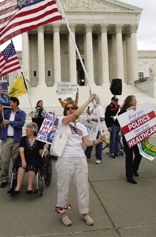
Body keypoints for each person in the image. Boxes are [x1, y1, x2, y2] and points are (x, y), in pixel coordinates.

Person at [55, 93, 105, 226]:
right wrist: (89, 99)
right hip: (65, 159)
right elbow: (76, 115)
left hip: (79, 159)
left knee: (83, 187)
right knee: (63, 188)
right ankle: (63, 213)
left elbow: (87, 142)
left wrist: (98, 141)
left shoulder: (81, 126)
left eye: (73, 107)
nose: (71, 110)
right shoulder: (62, 122)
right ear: (65, 111)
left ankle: (85, 213)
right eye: (68, 108)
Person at [10, 122, 48, 196]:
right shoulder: (23, 139)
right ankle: (17, 187)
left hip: (35, 157)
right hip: (24, 156)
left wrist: (44, 148)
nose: (26, 131)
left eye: (28, 130)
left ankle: (29, 187)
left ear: (33, 131)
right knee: (21, 166)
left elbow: (40, 153)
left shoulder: (39, 140)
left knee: (32, 167)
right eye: (26, 129)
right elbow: (21, 150)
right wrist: (23, 161)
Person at [0, 97, 26, 188]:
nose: (9, 104)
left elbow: (21, 123)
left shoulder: (22, 113)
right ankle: (4, 178)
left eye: (11, 102)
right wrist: (0, 111)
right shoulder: (6, 112)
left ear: (16, 103)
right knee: (5, 160)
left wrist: (9, 122)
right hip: (6, 139)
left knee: (15, 160)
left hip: (16, 139)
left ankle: (16, 177)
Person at [119, 95, 142, 183]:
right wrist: (128, 110)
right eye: (134, 100)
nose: (136, 101)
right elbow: (119, 119)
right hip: (127, 136)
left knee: (139, 153)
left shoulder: (137, 110)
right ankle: (129, 176)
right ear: (129, 102)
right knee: (129, 156)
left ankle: (133, 169)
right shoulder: (124, 110)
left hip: (136, 135)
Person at [85, 95, 105, 164]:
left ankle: (98, 157)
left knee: (98, 143)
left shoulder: (99, 108)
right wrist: (89, 113)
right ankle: (87, 155)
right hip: (94, 127)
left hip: (99, 128)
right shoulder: (95, 107)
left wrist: (92, 119)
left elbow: (102, 118)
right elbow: (95, 115)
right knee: (91, 141)